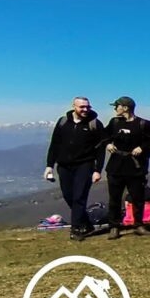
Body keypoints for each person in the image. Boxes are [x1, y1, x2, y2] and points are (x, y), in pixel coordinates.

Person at [44, 97, 106, 241]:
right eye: (82, 107)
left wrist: (98, 170)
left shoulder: (95, 124)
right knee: (68, 196)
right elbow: (54, 145)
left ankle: (76, 229)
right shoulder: (63, 122)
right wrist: (49, 166)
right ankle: (86, 223)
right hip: (64, 166)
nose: (85, 110)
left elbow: (100, 150)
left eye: (87, 107)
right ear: (74, 107)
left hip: (85, 165)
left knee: (79, 197)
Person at [104, 96, 150, 239]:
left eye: (117, 106)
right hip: (115, 167)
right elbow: (103, 136)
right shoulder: (114, 123)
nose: (115, 109)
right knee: (114, 198)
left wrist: (143, 148)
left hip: (135, 167)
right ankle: (114, 227)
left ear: (125, 108)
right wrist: (107, 144)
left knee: (138, 198)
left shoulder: (144, 124)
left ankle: (138, 225)